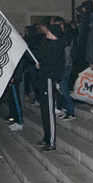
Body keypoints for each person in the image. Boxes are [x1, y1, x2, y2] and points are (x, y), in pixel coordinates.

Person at [35, 20, 66, 151]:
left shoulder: (56, 45)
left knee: (49, 109)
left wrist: (41, 65)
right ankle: (47, 137)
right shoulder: (49, 44)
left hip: (49, 79)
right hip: (44, 77)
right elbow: (41, 55)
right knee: (44, 110)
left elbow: (51, 64)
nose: (46, 33)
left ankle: (52, 141)